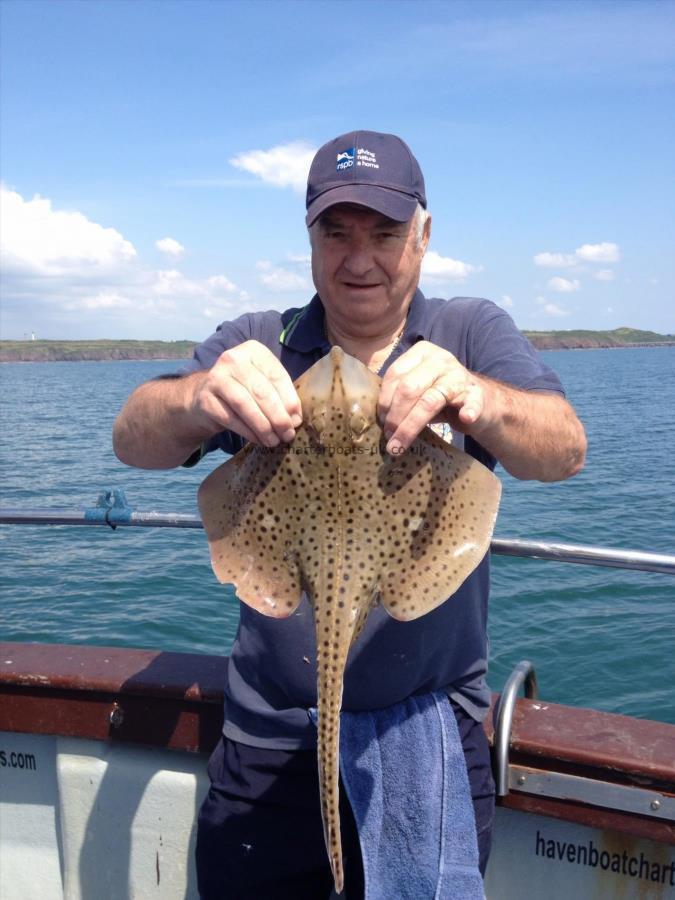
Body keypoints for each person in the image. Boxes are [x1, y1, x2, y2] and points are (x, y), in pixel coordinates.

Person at [113, 130, 586, 899]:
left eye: (384, 233)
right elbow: (132, 438)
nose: (359, 259)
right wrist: (199, 398)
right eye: (336, 233)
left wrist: (475, 394)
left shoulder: (467, 332)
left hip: (425, 730)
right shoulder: (258, 342)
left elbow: (563, 451)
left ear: (424, 236)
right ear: (309, 239)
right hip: (268, 744)